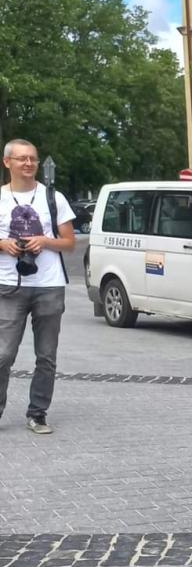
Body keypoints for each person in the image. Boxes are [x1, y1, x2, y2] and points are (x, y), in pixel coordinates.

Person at [0, 138, 76, 434]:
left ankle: (38, 413)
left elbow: (69, 243)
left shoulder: (53, 198)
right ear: (7, 162)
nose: (28, 163)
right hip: (8, 285)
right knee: (3, 354)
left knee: (46, 356)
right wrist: (3, 244)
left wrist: (44, 241)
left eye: (32, 158)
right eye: (22, 158)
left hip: (49, 285)